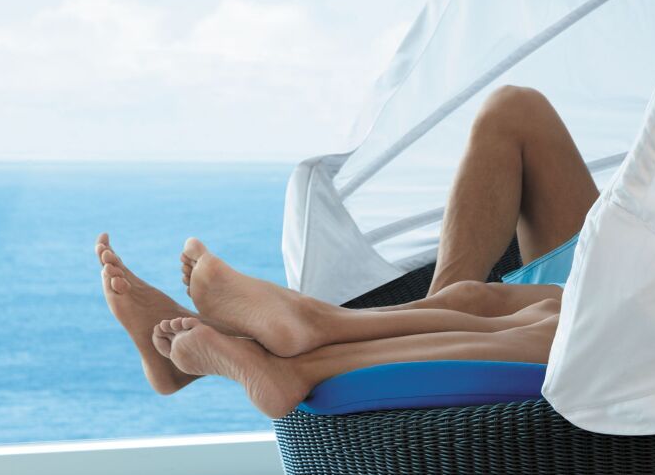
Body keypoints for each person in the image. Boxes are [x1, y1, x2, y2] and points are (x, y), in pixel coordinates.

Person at [96, 85, 597, 418]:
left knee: (569, 318)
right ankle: (425, 312)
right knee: (514, 108)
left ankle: (304, 353)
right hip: (630, 273)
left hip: (637, 317)